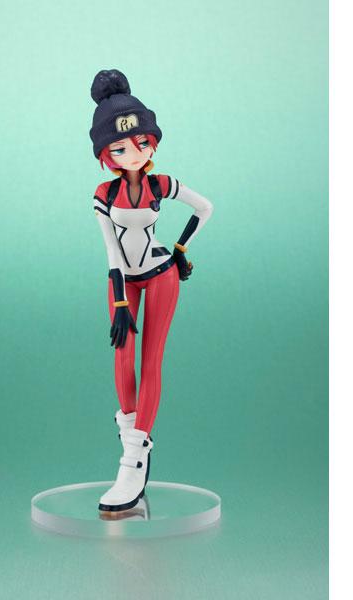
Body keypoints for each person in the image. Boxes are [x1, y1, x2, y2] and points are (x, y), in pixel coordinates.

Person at [90, 69, 214, 512]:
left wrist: (180, 248)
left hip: (161, 274)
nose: (134, 152)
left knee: (151, 359)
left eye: (142, 142)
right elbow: (111, 251)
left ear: (152, 142)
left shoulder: (162, 184)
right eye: (120, 147)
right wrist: (121, 300)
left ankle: (136, 455)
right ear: (106, 153)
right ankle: (131, 449)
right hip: (123, 280)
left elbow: (205, 207)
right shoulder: (104, 193)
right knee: (123, 356)